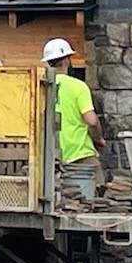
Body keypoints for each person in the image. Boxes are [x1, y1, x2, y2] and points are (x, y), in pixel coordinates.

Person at [43, 37, 106, 201]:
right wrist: (98, 139)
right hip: (80, 153)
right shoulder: (78, 86)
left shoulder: (41, 86)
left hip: (50, 155)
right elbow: (91, 121)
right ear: (66, 60)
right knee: (97, 193)